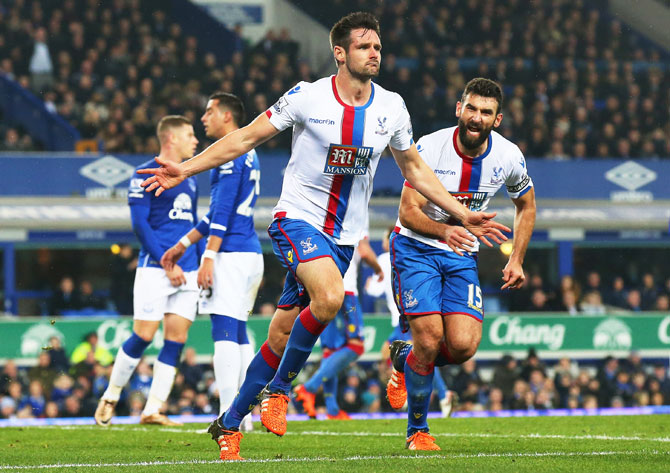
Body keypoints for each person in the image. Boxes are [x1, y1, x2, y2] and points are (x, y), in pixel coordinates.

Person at [138, 12, 508, 460]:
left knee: (279, 335)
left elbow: (414, 168)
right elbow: (244, 139)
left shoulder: (391, 107)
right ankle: (279, 391)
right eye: (365, 46)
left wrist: (460, 215)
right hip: (296, 220)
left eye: (378, 46)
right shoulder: (307, 97)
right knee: (330, 298)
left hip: (344, 239)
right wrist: (185, 168)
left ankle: (228, 424)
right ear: (340, 53)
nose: (375, 52)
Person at [386, 78, 536, 450]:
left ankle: (407, 357)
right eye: (471, 108)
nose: (476, 117)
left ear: (497, 119)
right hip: (416, 247)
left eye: (485, 112)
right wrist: (444, 231)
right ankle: (417, 432)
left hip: (461, 254)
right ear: (459, 109)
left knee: (465, 346)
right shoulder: (430, 147)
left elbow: (527, 205)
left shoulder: (508, 157)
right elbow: (407, 212)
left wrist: (516, 257)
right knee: (430, 337)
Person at [161, 93, 263, 431]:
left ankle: (228, 415)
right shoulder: (246, 152)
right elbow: (212, 216)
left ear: (226, 116)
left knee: (223, 331)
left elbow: (221, 215)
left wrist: (207, 256)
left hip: (231, 254)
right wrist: (181, 245)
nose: (203, 118)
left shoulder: (230, 153)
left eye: (209, 112)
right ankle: (247, 412)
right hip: (247, 253)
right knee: (238, 332)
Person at [94, 115, 200, 427]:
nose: (195, 141)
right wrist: (166, 263)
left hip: (189, 269)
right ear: (171, 139)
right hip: (155, 268)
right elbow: (140, 224)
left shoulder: (190, 177)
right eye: (190, 135)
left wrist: (199, 259)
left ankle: (152, 409)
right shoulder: (143, 173)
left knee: (176, 340)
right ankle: (111, 395)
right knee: (143, 335)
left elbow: (191, 223)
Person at [365, 226, 454, 417]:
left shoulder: (383, 259)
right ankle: (435, 393)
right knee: (391, 351)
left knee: (418, 354)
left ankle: (439, 393)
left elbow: (373, 291)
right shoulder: (413, 256)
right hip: (412, 312)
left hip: (404, 317)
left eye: (383, 238)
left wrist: (368, 285)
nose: (382, 242)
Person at [294, 228, 382, 420]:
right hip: (345, 289)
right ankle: (309, 387)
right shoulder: (357, 210)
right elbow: (365, 251)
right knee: (356, 346)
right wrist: (378, 268)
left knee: (331, 351)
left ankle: (332, 409)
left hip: (322, 289)